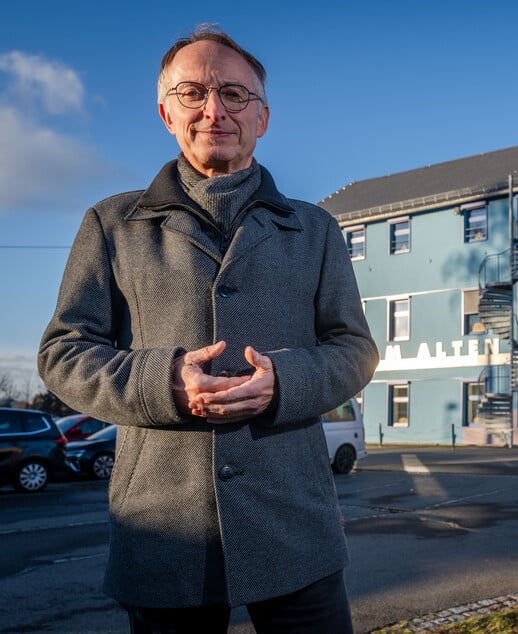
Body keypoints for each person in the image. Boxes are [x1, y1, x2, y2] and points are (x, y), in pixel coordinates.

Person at [37, 25, 379, 633]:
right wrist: (163, 381)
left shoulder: (315, 229)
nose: (214, 109)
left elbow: (354, 349)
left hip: (295, 522)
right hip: (165, 528)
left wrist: (285, 381)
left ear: (263, 117)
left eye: (234, 94)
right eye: (193, 93)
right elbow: (64, 353)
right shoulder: (113, 224)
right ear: (166, 112)